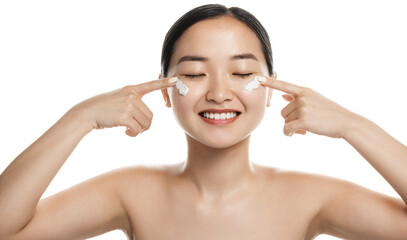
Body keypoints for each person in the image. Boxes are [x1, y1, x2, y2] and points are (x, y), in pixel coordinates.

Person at [1, 3, 406, 240]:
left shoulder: (313, 197)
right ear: (164, 90)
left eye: (243, 73)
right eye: (193, 74)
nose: (217, 93)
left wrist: (355, 126)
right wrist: (80, 116)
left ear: (270, 88)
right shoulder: (129, 191)